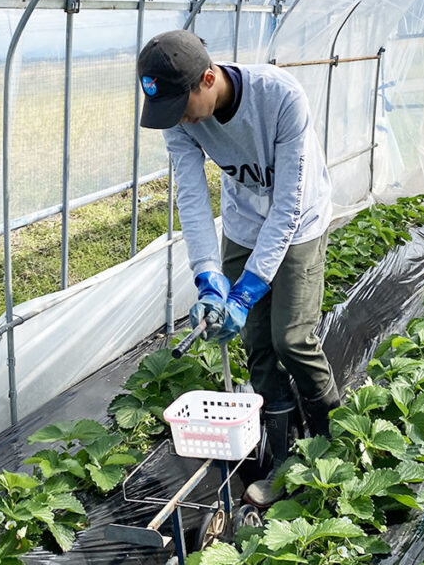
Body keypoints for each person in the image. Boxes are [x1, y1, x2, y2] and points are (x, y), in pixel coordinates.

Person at [137, 29, 341, 507]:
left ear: (208, 79)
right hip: (244, 223)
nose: (179, 120)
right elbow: (191, 195)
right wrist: (208, 274)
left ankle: (334, 445)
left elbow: (288, 205)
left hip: (300, 222)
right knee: (256, 346)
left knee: (290, 337)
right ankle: (286, 456)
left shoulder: (280, 97)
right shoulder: (178, 116)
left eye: (183, 106)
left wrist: (247, 291)